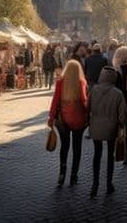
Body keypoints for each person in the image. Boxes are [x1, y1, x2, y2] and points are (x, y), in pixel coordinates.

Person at [88, 67, 127, 199]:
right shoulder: (118, 93)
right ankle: (109, 184)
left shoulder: (94, 90)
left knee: (96, 154)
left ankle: (95, 184)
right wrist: (121, 125)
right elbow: (123, 116)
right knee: (110, 155)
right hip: (111, 128)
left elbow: (87, 107)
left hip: (95, 127)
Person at [47, 59, 88, 187]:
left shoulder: (60, 82)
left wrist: (51, 118)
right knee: (77, 148)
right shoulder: (81, 82)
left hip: (63, 120)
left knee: (64, 147)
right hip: (79, 120)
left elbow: (55, 101)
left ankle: (62, 173)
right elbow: (85, 102)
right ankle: (74, 175)